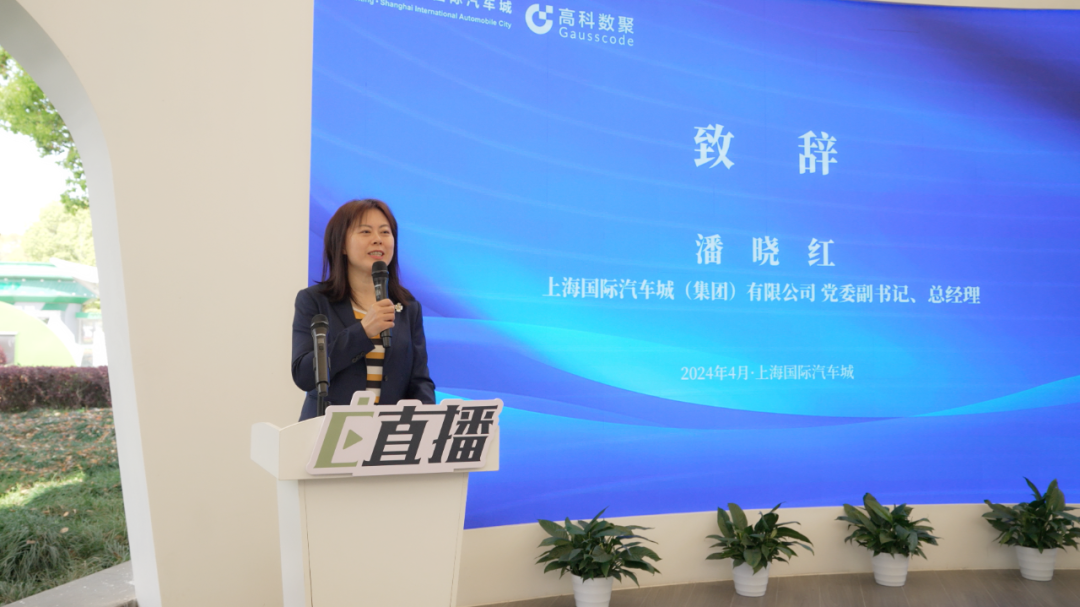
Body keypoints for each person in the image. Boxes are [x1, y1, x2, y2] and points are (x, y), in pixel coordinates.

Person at [292, 198, 436, 420]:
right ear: (341, 245)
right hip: (328, 430)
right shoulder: (314, 301)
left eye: (385, 232)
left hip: (386, 433)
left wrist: (426, 423)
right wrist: (363, 331)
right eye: (366, 232)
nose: (378, 239)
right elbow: (304, 375)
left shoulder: (408, 307)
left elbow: (419, 381)